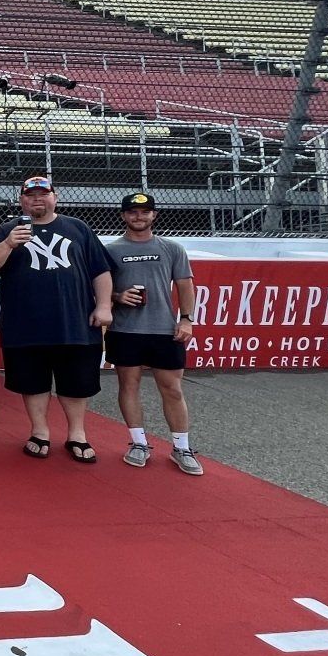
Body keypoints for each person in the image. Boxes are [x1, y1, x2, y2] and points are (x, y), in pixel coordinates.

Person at [0, 176, 113, 463]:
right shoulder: (7, 230)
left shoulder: (78, 227)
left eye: (43, 194)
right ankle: (39, 432)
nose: (37, 199)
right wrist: (8, 244)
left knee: (76, 383)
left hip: (74, 322)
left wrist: (104, 306)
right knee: (33, 382)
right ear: (21, 199)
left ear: (56, 196)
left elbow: (100, 270)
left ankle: (77, 434)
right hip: (25, 324)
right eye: (30, 195)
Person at [105, 191, 202, 474]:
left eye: (145, 211)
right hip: (124, 330)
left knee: (172, 389)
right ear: (124, 215)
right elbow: (100, 288)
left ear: (154, 215)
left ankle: (181, 447)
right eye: (133, 212)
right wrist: (118, 296)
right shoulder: (111, 250)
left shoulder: (172, 248)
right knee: (128, 386)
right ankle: (138, 443)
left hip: (165, 330)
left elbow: (185, 285)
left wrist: (186, 319)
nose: (139, 216)